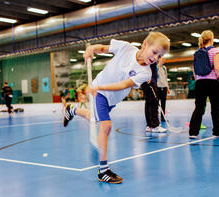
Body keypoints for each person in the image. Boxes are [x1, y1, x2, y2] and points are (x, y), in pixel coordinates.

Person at [63, 31, 170, 183]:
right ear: (145, 44)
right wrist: (91, 49)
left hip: (110, 97)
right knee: (105, 126)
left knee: (93, 118)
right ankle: (103, 170)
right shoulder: (125, 47)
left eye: (159, 56)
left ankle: (71, 110)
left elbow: (123, 85)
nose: (155, 58)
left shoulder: (145, 73)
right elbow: (103, 48)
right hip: (100, 91)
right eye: (154, 52)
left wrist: (102, 88)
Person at [189, 30, 219, 139]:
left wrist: (198, 80)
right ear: (211, 39)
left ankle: (193, 132)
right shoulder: (214, 51)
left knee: (199, 108)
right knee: (215, 107)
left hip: (199, 83)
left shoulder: (197, 52)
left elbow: (194, 70)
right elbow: (217, 68)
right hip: (212, 82)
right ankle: (217, 132)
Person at [141, 62, 167, 133]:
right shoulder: (149, 56)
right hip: (150, 81)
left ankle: (149, 125)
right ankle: (155, 125)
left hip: (150, 80)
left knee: (149, 103)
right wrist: (148, 76)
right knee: (153, 103)